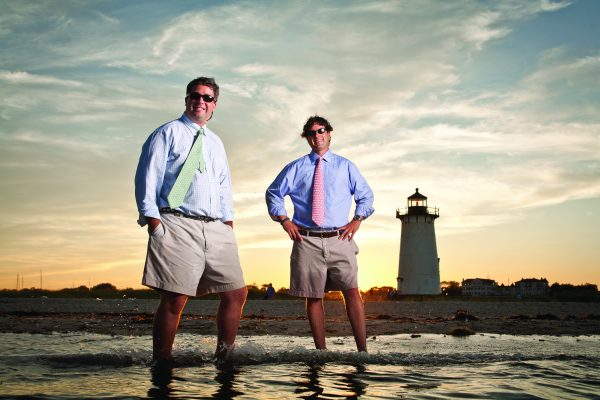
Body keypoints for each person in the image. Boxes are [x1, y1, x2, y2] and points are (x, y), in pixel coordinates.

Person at [135, 77, 247, 364]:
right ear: (186, 100)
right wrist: (153, 222)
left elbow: (224, 184)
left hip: (215, 226)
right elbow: (147, 177)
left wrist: (228, 221)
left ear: (214, 105)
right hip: (176, 223)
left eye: (207, 98)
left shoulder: (216, 142)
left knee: (236, 292)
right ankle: (162, 363)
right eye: (195, 96)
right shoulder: (167, 133)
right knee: (175, 297)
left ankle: (225, 357)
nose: (200, 101)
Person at [265, 115, 374, 352]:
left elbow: (366, 196)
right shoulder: (295, 168)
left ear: (329, 133)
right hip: (307, 240)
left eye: (321, 131)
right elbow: (273, 193)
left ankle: (363, 351)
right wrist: (284, 220)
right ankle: (321, 352)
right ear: (307, 138)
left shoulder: (346, 166)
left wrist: (357, 220)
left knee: (352, 290)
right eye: (312, 133)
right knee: (313, 296)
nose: (317, 136)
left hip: (340, 238)